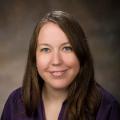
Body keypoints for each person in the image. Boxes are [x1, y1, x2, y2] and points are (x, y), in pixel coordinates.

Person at [1, 10, 120, 120]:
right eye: (46, 49)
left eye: (67, 48)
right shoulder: (15, 104)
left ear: (81, 53)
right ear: (34, 58)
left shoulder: (107, 109)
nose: (56, 61)